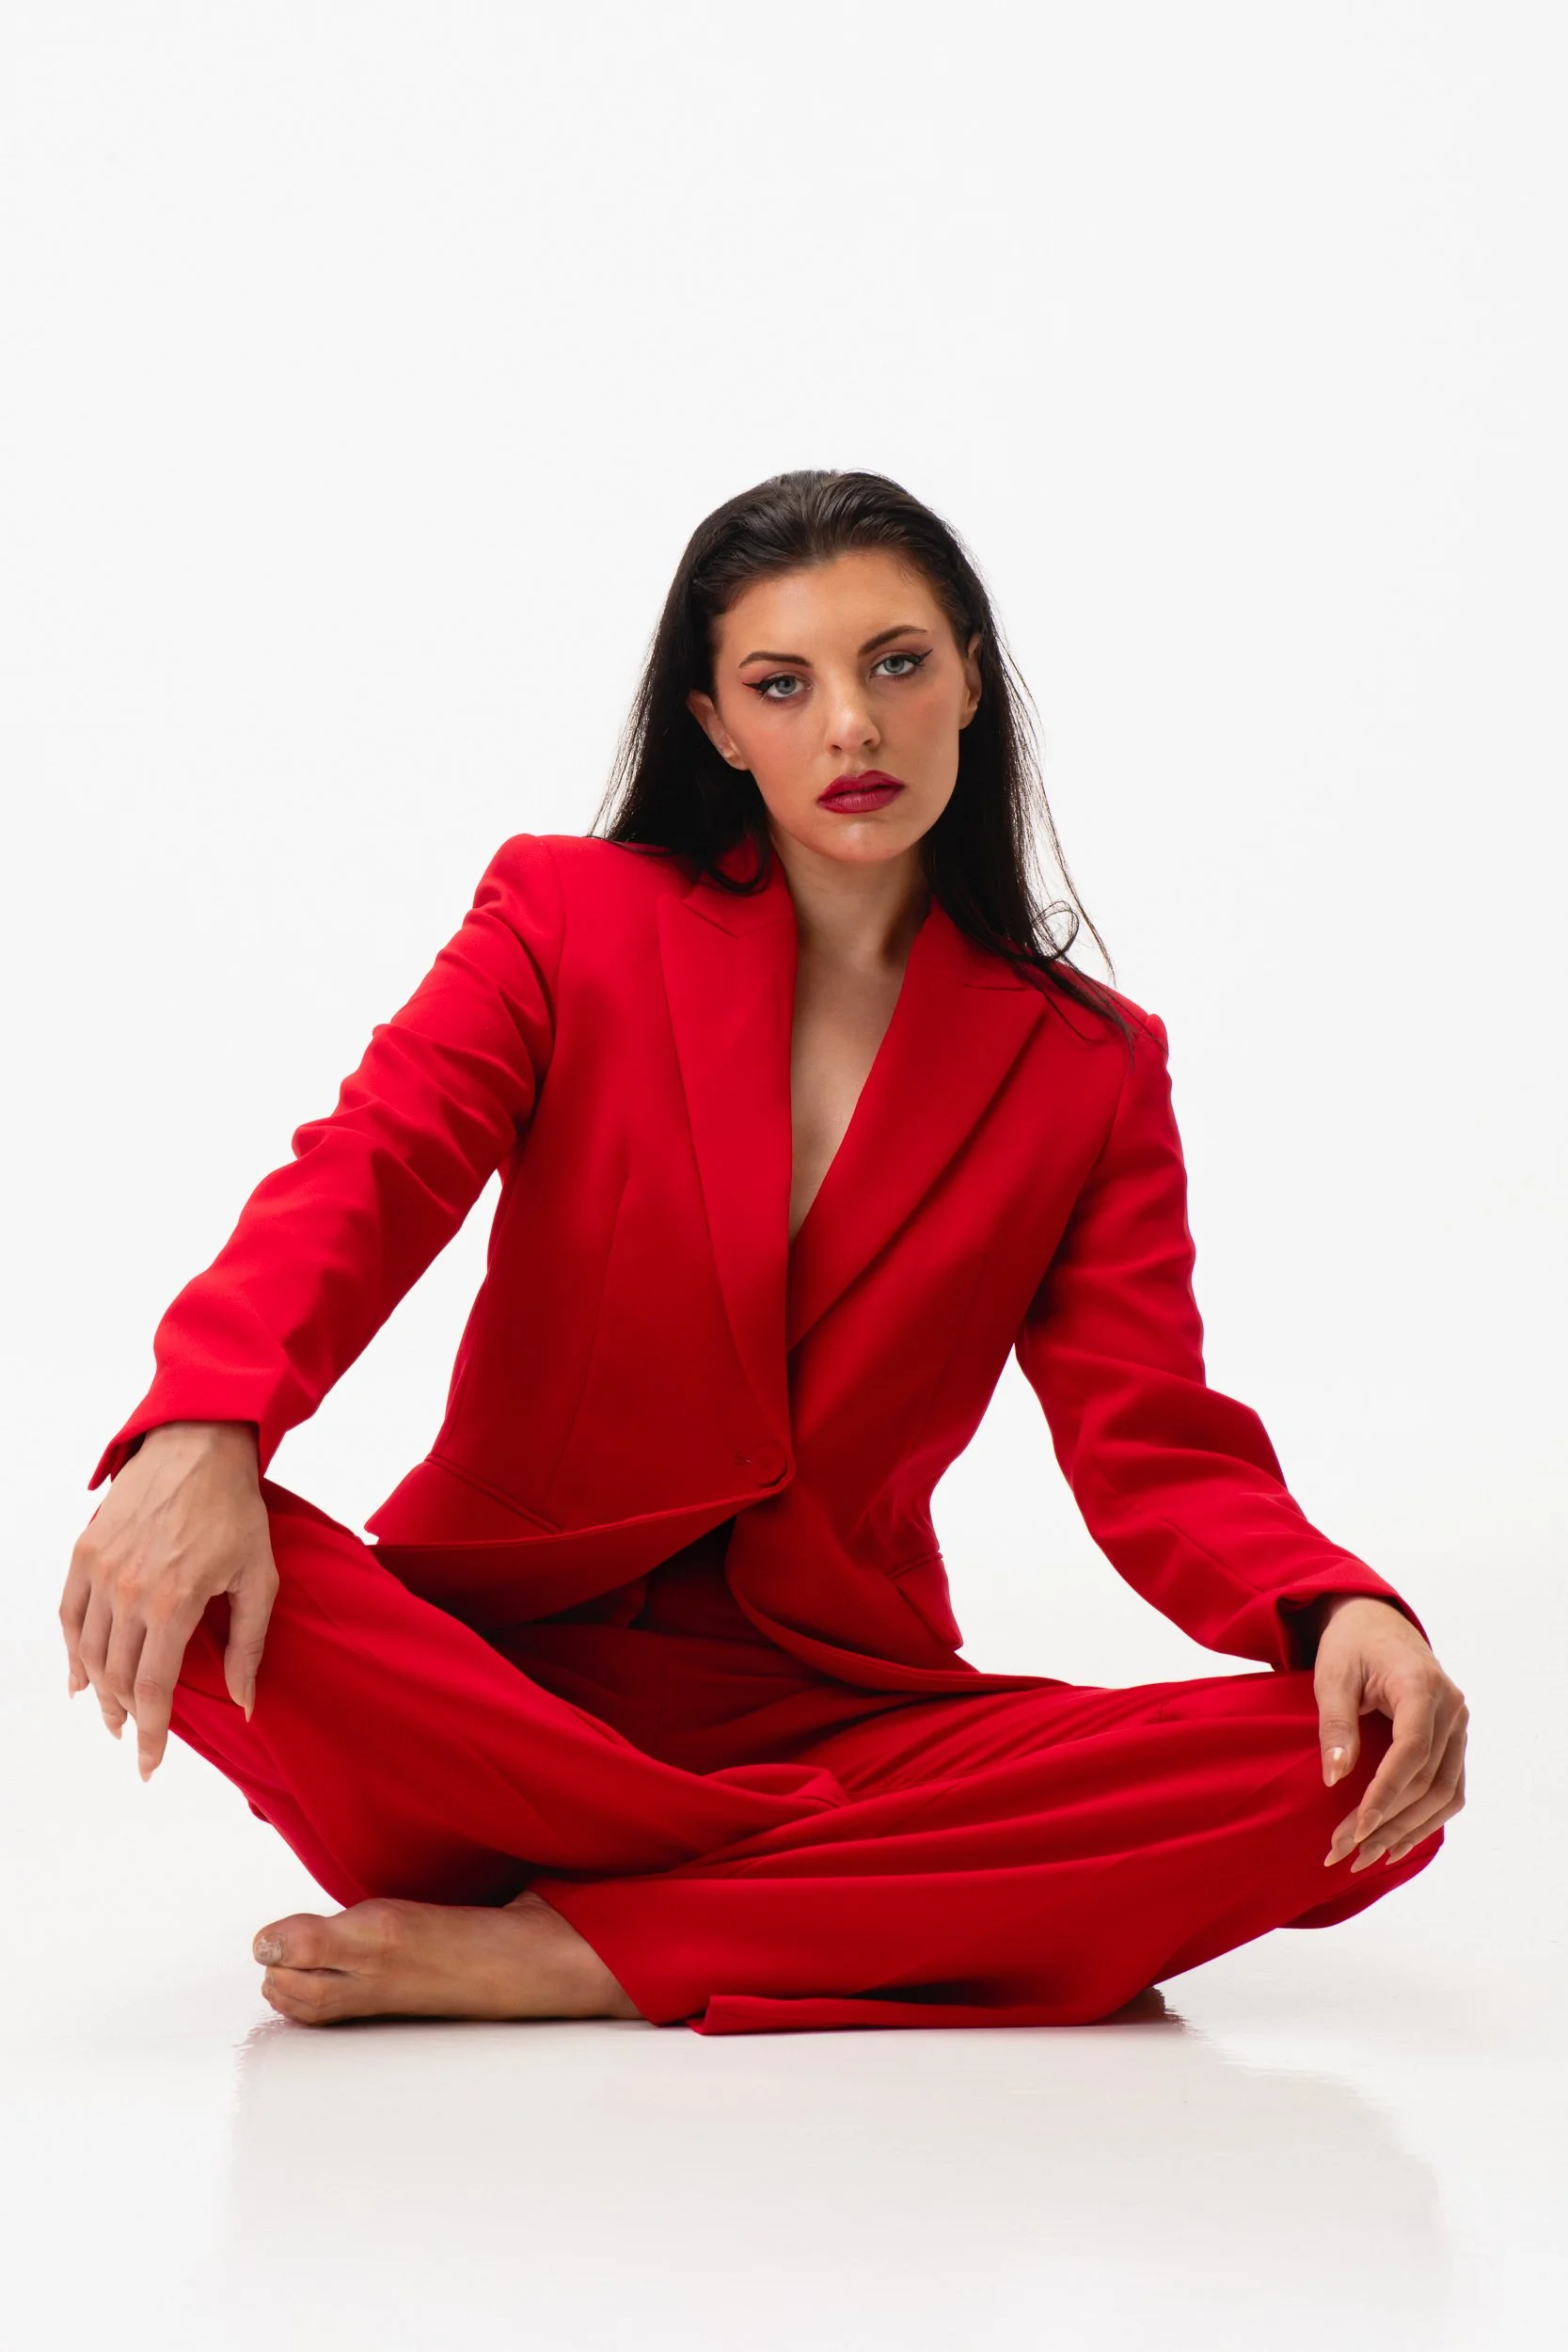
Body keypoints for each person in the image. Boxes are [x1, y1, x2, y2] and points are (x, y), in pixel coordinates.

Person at [60, 469, 1467, 2035]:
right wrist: (204, 1424)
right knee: (172, 1571)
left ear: (972, 680)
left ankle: (579, 1946)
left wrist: (1337, 1607)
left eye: (896, 663)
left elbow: (1149, 1441)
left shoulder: (1088, 1064)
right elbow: (371, 1169)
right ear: (719, 725)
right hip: (491, 1686)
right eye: (782, 686)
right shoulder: (565, 917)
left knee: (1336, 1758)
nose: (850, 728)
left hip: (836, 1709)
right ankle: (819, 1910)